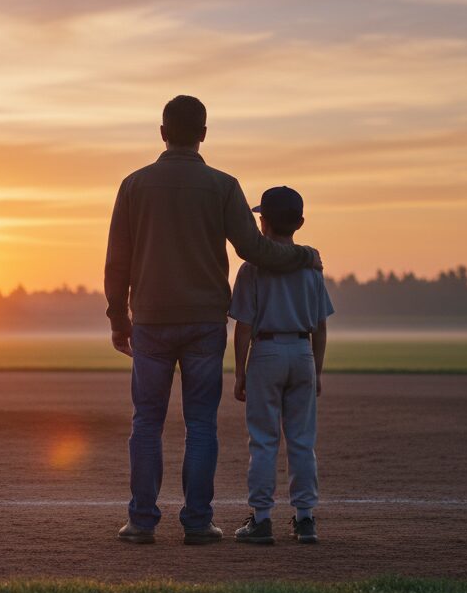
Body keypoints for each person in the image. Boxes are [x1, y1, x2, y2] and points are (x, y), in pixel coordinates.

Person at [106, 96, 323, 546]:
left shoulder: (133, 185)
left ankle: (142, 521)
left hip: (150, 317)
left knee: (146, 421)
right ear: (203, 133)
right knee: (200, 423)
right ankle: (198, 522)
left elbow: (117, 262)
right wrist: (303, 255)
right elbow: (254, 250)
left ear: (162, 131)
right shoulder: (223, 186)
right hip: (205, 321)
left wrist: (117, 318)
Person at [229, 185, 333, 545]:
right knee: (302, 441)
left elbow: (243, 326)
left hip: (267, 351)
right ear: (300, 222)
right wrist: (316, 370)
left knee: (263, 441)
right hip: (302, 351)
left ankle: (261, 518)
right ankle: (305, 519)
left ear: (263, 223)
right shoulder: (312, 268)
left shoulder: (252, 269)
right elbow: (320, 327)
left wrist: (240, 372)